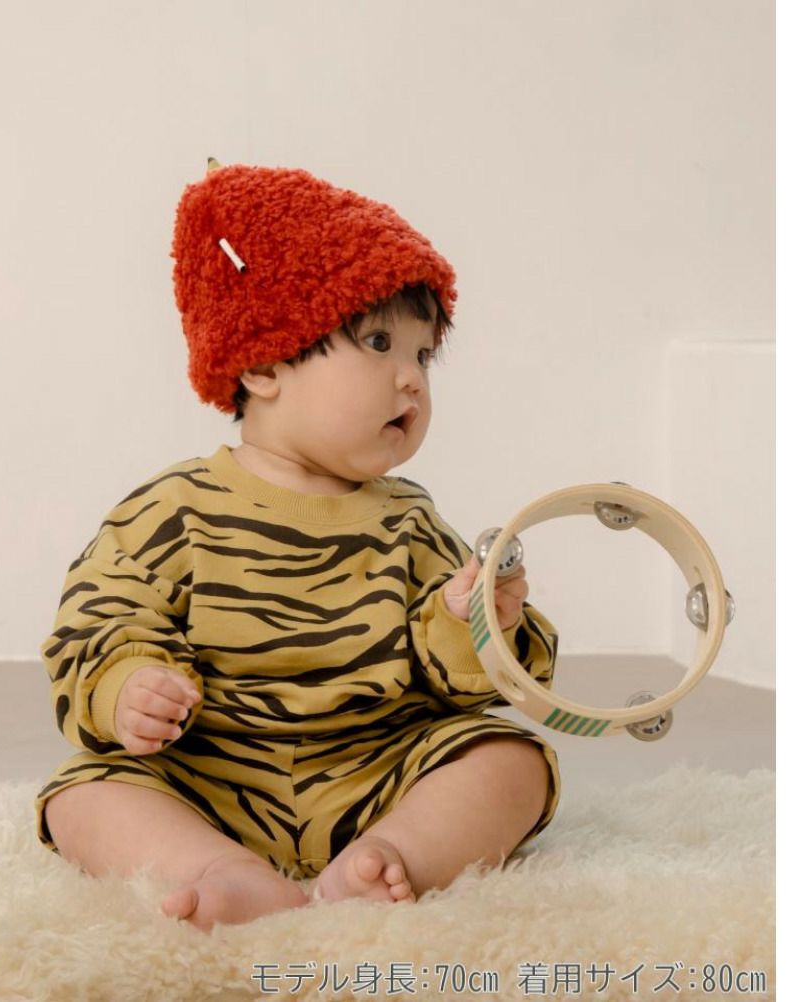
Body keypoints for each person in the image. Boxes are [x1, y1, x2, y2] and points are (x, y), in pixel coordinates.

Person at [35, 159, 561, 932]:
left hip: (378, 771)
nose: (412, 380)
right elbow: (97, 618)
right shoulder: (173, 510)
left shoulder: (410, 521)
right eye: (379, 342)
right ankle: (218, 868)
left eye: (423, 356)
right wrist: (128, 685)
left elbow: (465, 685)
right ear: (263, 362)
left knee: (510, 758)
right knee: (82, 793)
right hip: (207, 778)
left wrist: (475, 619)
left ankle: (391, 854)